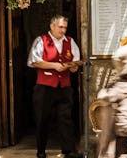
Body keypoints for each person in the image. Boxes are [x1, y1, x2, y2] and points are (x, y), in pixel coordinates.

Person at [27, 15, 82, 158]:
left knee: (65, 118)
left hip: (64, 86)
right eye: (60, 27)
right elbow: (34, 61)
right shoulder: (41, 40)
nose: (63, 30)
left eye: (65, 27)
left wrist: (73, 67)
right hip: (44, 86)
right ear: (52, 26)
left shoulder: (70, 42)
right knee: (42, 118)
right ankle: (41, 151)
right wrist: (54, 66)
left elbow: (75, 62)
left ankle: (68, 150)